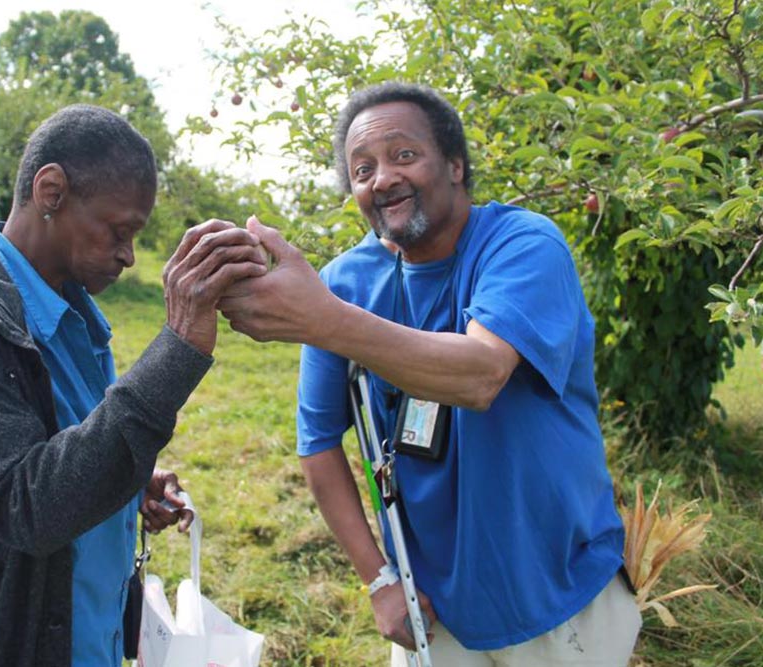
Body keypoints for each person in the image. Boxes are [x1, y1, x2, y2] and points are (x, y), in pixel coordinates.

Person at [0, 104, 267, 667]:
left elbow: (60, 445)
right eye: (119, 231)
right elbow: (25, 504)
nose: (129, 256)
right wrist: (178, 346)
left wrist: (125, 486)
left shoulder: (73, 313)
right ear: (51, 191)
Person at [219, 83, 641, 666]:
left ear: (455, 165)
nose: (382, 178)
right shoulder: (345, 284)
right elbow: (318, 443)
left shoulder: (522, 245)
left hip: (558, 595)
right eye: (362, 169)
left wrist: (322, 320)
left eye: (404, 155)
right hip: (431, 611)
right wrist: (379, 580)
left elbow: (481, 375)